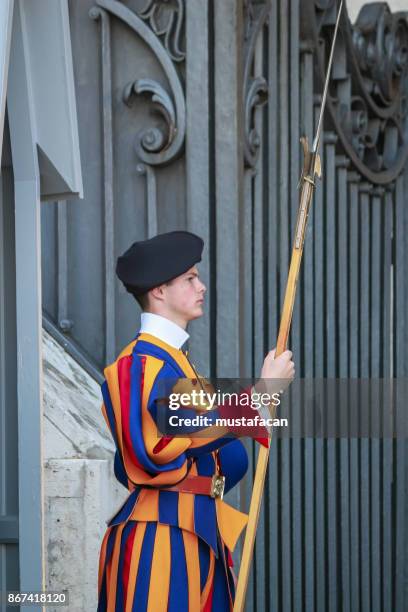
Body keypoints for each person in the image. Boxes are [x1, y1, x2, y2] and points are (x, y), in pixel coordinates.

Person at [96, 230, 295, 611]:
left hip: (198, 532)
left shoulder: (177, 365)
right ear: (159, 291)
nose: (201, 286)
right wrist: (260, 396)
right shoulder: (138, 364)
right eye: (189, 278)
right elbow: (154, 448)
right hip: (160, 538)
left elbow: (219, 455)